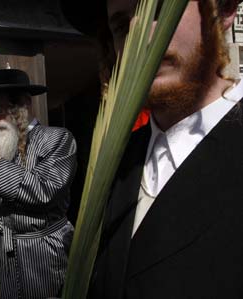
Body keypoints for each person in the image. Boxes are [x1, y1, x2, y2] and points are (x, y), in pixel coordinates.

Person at [63, 0, 243, 298]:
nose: (138, 37)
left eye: (158, 11)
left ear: (223, 11)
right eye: (121, 25)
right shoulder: (115, 163)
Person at [0, 68, 77, 299]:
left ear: (23, 104)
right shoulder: (3, 140)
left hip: (41, 254)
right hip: (2, 254)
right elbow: (1, 203)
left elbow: (44, 192)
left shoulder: (57, 138)